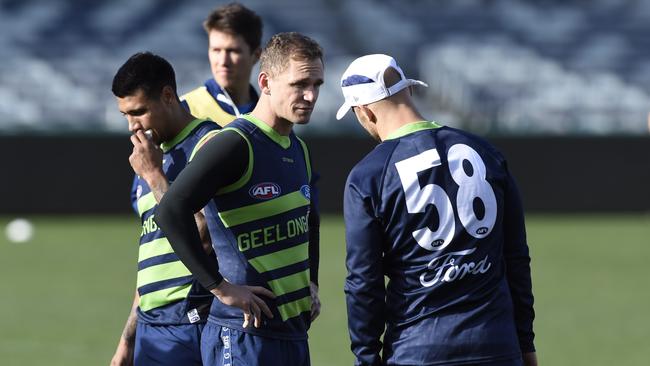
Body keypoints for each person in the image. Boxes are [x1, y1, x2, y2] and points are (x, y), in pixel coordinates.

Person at [337, 54, 538, 366]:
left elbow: (364, 282)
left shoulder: (368, 176)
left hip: (418, 350)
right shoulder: (486, 152)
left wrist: (366, 358)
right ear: (411, 92)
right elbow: (516, 259)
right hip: (497, 345)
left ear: (363, 111)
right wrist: (524, 343)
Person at [154, 32, 324, 366]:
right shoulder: (235, 143)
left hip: (293, 334)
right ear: (266, 82)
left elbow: (310, 220)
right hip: (244, 336)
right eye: (300, 83)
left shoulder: (298, 148)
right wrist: (220, 287)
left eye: (318, 84)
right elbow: (171, 209)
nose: (311, 95)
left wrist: (312, 284)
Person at [110, 52, 221, 366]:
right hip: (150, 326)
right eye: (125, 115)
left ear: (169, 96)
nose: (133, 126)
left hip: (192, 320)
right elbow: (152, 255)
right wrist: (127, 340)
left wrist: (155, 176)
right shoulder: (151, 155)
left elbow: (204, 233)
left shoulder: (209, 145)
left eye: (140, 111)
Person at [181, 2, 262, 125]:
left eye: (233, 51)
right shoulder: (184, 110)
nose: (223, 61)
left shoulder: (269, 117)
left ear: (256, 55)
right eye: (216, 50)